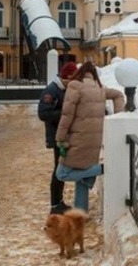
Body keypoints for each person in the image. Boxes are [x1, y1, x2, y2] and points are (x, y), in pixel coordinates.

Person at [55, 61, 124, 212]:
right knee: (82, 178)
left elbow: (67, 115)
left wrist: (60, 137)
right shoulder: (99, 88)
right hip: (95, 141)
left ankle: (101, 169)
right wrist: (118, 117)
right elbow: (119, 95)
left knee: (62, 173)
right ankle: (81, 212)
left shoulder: (75, 86)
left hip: (78, 139)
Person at [38, 61, 79, 214]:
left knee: (60, 168)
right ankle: (55, 205)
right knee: (58, 170)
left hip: (61, 135)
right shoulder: (51, 91)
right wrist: (65, 114)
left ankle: (58, 202)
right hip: (57, 137)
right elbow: (43, 113)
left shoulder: (62, 89)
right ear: (65, 78)